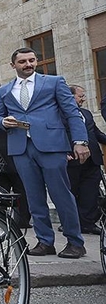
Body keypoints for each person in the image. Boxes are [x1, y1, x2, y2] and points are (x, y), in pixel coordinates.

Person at [0, 49, 89, 259]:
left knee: (61, 194)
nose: (28, 64)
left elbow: (72, 112)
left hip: (52, 146)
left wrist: (80, 141)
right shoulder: (4, 91)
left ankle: (75, 242)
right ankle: (45, 241)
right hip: (21, 147)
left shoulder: (54, 82)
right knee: (33, 196)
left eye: (31, 60)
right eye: (22, 61)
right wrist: (3, 122)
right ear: (13, 65)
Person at [0, 102, 31, 229]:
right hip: (15, 160)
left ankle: (1, 218)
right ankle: (22, 220)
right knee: (21, 191)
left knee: (2, 191)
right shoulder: (15, 120)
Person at [67, 85, 106, 234]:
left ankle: (87, 223)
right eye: (81, 96)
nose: (83, 99)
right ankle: (72, 224)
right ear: (71, 97)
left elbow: (96, 133)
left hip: (93, 159)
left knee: (90, 194)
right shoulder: (60, 114)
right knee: (72, 193)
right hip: (72, 160)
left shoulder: (86, 113)